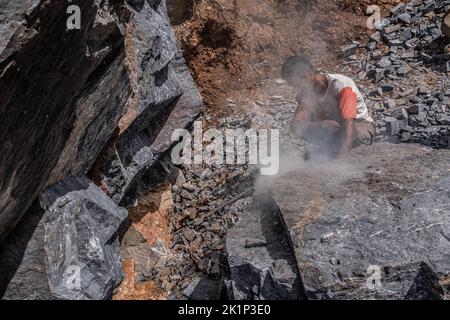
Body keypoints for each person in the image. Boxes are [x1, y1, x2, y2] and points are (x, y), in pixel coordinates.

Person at [281, 55, 375, 158]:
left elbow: (348, 122)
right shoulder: (306, 93)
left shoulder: (342, 85)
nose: (296, 88)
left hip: (357, 126)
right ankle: (330, 149)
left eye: (296, 84)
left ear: (307, 75)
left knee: (357, 132)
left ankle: (339, 150)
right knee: (301, 127)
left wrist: (343, 156)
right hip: (335, 130)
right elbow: (296, 124)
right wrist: (319, 125)